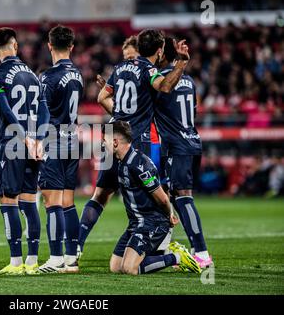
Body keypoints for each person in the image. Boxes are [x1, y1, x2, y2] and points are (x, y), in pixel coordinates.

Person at [78, 29, 190, 254]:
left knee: (101, 194)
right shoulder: (148, 70)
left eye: (130, 54)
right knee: (155, 194)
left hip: (113, 137)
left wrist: (119, 113)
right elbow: (166, 87)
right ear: (157, 51)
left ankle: (76, 247)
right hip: (137, 140)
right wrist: (181, 63)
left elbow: (101, 97)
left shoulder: (118, 69)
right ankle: (163, 251)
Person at [0, 27, 49, 275]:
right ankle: (32, 261)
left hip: (13, 142)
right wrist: (39, 139)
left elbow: (5, 109)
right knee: (28, 199)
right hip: (33, 143)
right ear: (15, 46)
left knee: (8, 200)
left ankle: (15, 263)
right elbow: (44, 108)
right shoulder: (33, 75)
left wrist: (23, 138)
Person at [103, 120, 201, 275]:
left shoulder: (139, 164)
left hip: (152, 223)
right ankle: (150, 257)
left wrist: (170, 214)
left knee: (129, 269)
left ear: (115, 142)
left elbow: (161, 197)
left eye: (105, 140)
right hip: (136, 224)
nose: (103, 144)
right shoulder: (122, 162)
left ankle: (176, 257)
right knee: (115, 267)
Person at [155, 37, 213, 268]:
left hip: (176, 145)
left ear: (162, 54)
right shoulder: (188, 80)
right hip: (192, 141)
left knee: (182, 197)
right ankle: (165, 247)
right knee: (168, 196)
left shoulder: (163, 80)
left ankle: (201, 253)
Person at [36, 25, 84, 273]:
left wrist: (36, 140)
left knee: (51, 201)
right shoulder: (78, 75)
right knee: (68, 201)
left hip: (54, 140)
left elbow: (43, 113)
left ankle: (55, 259)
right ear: (72, 47)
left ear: (49, 45)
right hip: (73, 140)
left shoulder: (47, 77)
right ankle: (71, 257)